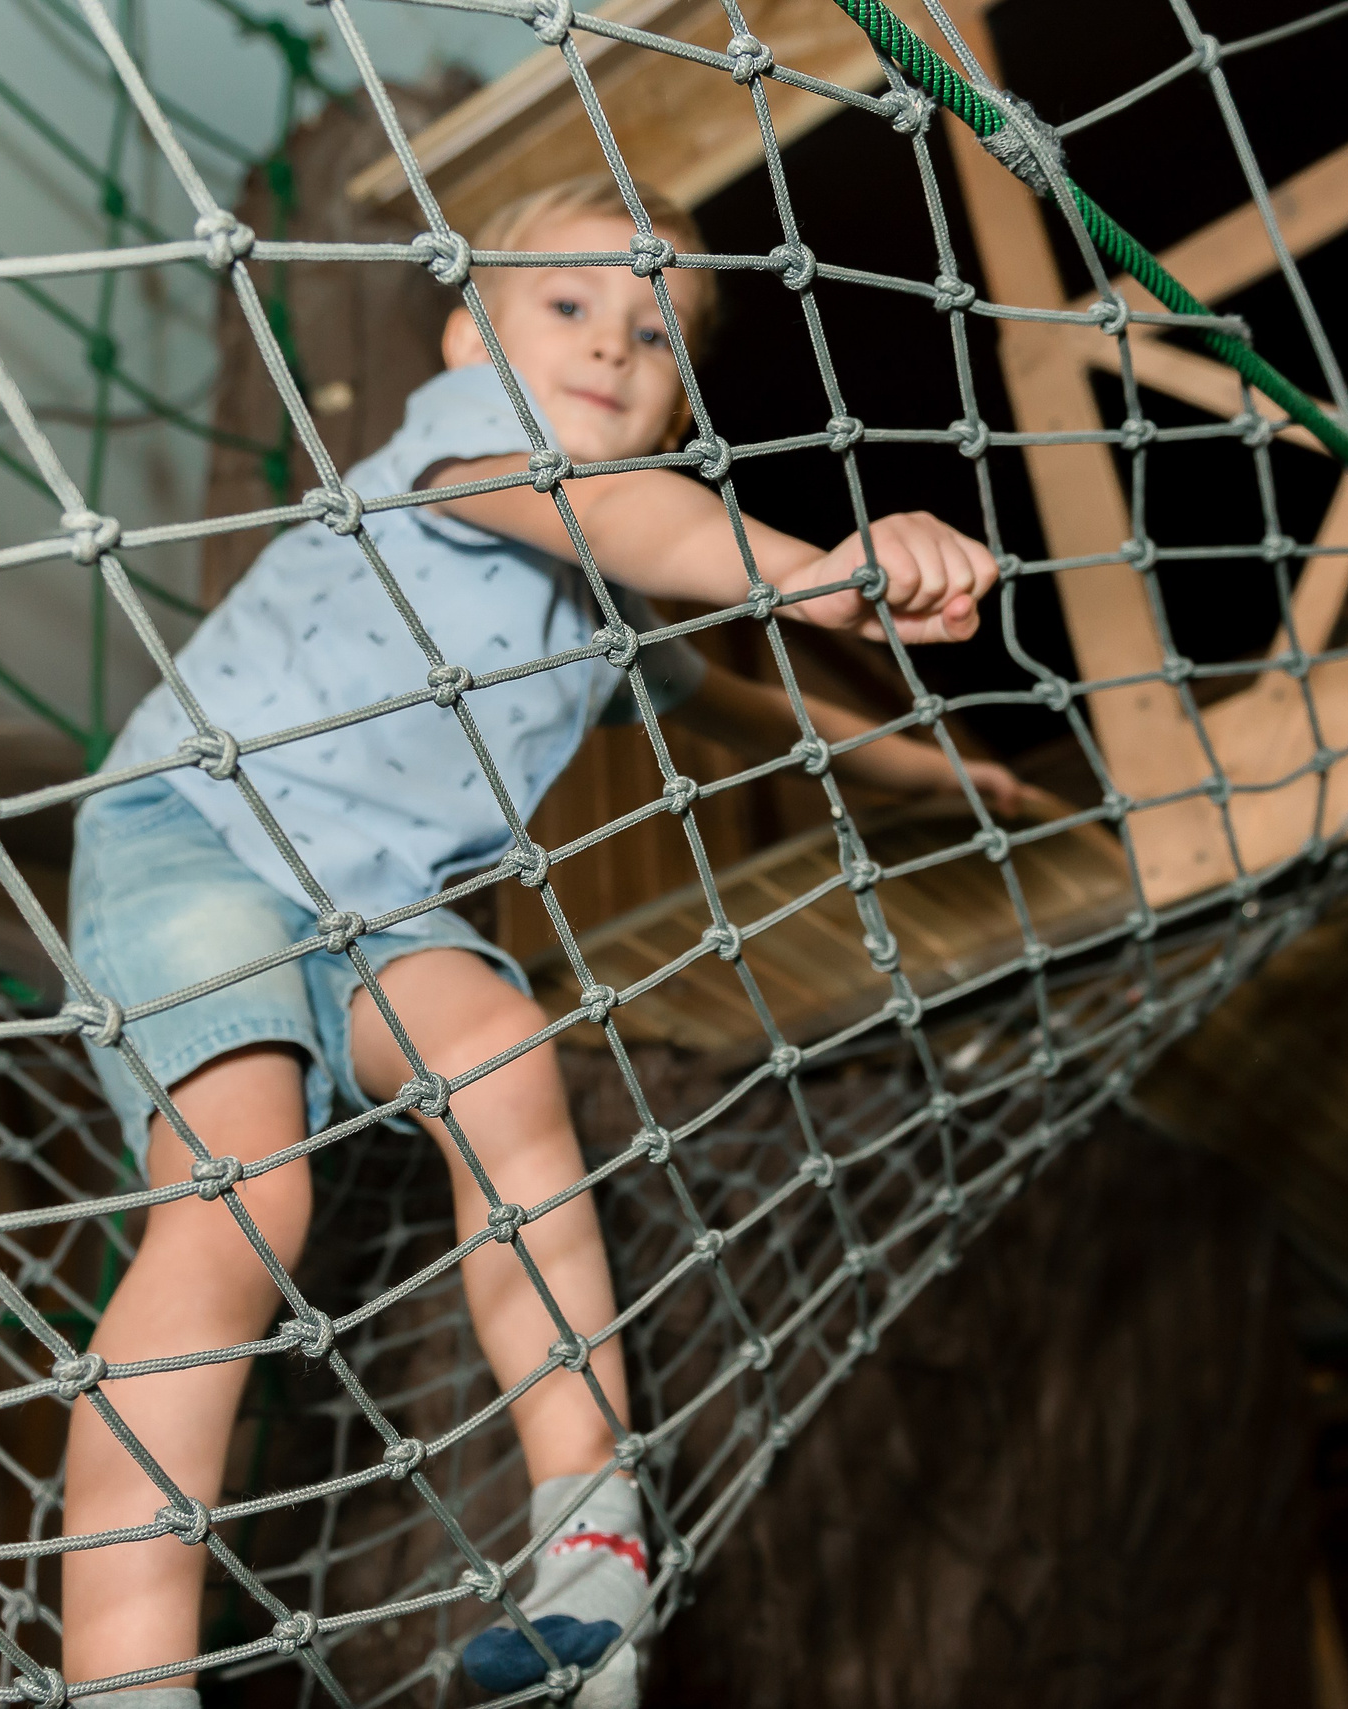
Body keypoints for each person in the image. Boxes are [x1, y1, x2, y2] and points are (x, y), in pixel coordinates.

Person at [58, 175, 1017, 1708]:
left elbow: (739, 705)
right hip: (203, 832)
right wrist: (816, 570)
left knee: (508, 1054)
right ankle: (125, 1671)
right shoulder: (461, 452)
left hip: (376, 913)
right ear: (467, 340)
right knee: (245, 1192)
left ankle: (587, 1548)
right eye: (569, 305)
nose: (614, 345)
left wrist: (927, 770)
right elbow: (621, 512)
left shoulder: (601, 605)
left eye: (656, 331)